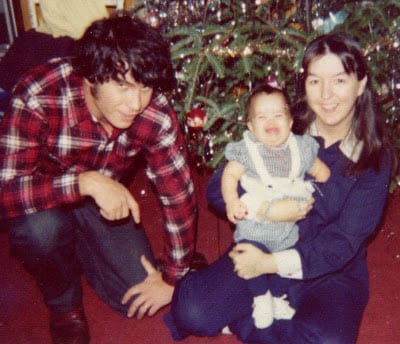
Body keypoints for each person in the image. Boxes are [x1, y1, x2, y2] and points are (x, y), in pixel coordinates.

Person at [165, 32, 396, 343]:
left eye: (339, 81)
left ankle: (243, 322)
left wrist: (270, 265)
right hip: (265, 241)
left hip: (328, 268)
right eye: (315, 81)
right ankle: (248, 309)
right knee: (192, 312)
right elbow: (218, 190)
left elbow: (343, 241)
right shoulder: (281, 123)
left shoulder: (374, 157)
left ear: (361, 83)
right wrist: (267, 210)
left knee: (328, 341)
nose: (326, 95)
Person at [0, 14, 197, 344]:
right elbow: (5, 190)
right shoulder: (38, 95)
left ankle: (75, 243)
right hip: (43, 199)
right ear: (90, 75)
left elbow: (178, 192)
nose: (135, 104)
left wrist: (174, 275)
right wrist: (84, 182)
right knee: (41, 231)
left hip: (101, 198)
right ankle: (63, 302)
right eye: (122, 85)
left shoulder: (154, 112)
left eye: (144, 87)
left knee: (133, 296)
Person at [221, 84, 330, 328]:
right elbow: (229, 176)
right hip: (255, 225)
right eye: (262, 117)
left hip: (288, 229)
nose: (271, 122)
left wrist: (322, 172)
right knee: (247, 255)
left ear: (290, 122)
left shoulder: (300, 148)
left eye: (278, 115)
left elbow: (316, 168)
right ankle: (260, 298)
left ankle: (276, 297)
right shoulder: (247, 151)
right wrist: (232, 200)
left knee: (289, 261)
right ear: (250, 126)